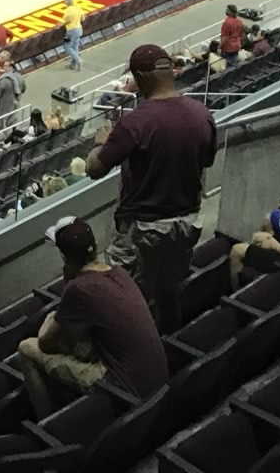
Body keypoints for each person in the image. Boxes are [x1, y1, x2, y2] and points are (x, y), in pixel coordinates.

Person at [85, 42, 217, 333]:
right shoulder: (202, 114)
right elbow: (206, 161)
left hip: (142, 228)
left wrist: (100, 144)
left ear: (141, 77)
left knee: (125, 298)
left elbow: (94, 169)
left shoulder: (135, 123)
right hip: (186, 222)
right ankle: (169, 345)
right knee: (168, 293)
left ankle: (131, 358)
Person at [17, 218, 169, 417]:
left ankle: (48, 424)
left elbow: (45, 343)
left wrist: (51, 317)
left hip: (126, 389)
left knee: (27, 348)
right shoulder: (119, 273)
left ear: (64, 257)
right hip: (159, 380)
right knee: (79, 345)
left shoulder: (78, 289)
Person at [0, 59, 26, 124]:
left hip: (4, 105)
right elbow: (23, 89)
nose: (4, 67)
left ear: (11, 67)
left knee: (0, 122)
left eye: (6, 66)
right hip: (15, 103)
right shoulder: (19, 77)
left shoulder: (3, 80)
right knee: (13, 119)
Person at [219, 5, 246, 69]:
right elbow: (241, 34)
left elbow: (225, 37)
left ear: (231, 12)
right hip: (237, 45)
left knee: (226, 66)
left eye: (227, 10)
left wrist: (219, 46)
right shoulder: (239, 22)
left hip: (228, 47)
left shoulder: (227, 23)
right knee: (233, 64)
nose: (226, 11)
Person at [61, 0, 85, 71]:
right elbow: (83, 18)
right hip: (79, 30)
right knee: (75, 47)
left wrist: (62, 24)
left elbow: (68, 20)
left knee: (66, 46)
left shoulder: (68, 10)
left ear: (66, 2)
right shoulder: (78, 8)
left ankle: (79, 60)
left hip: (71, 32)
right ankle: (73, 65)